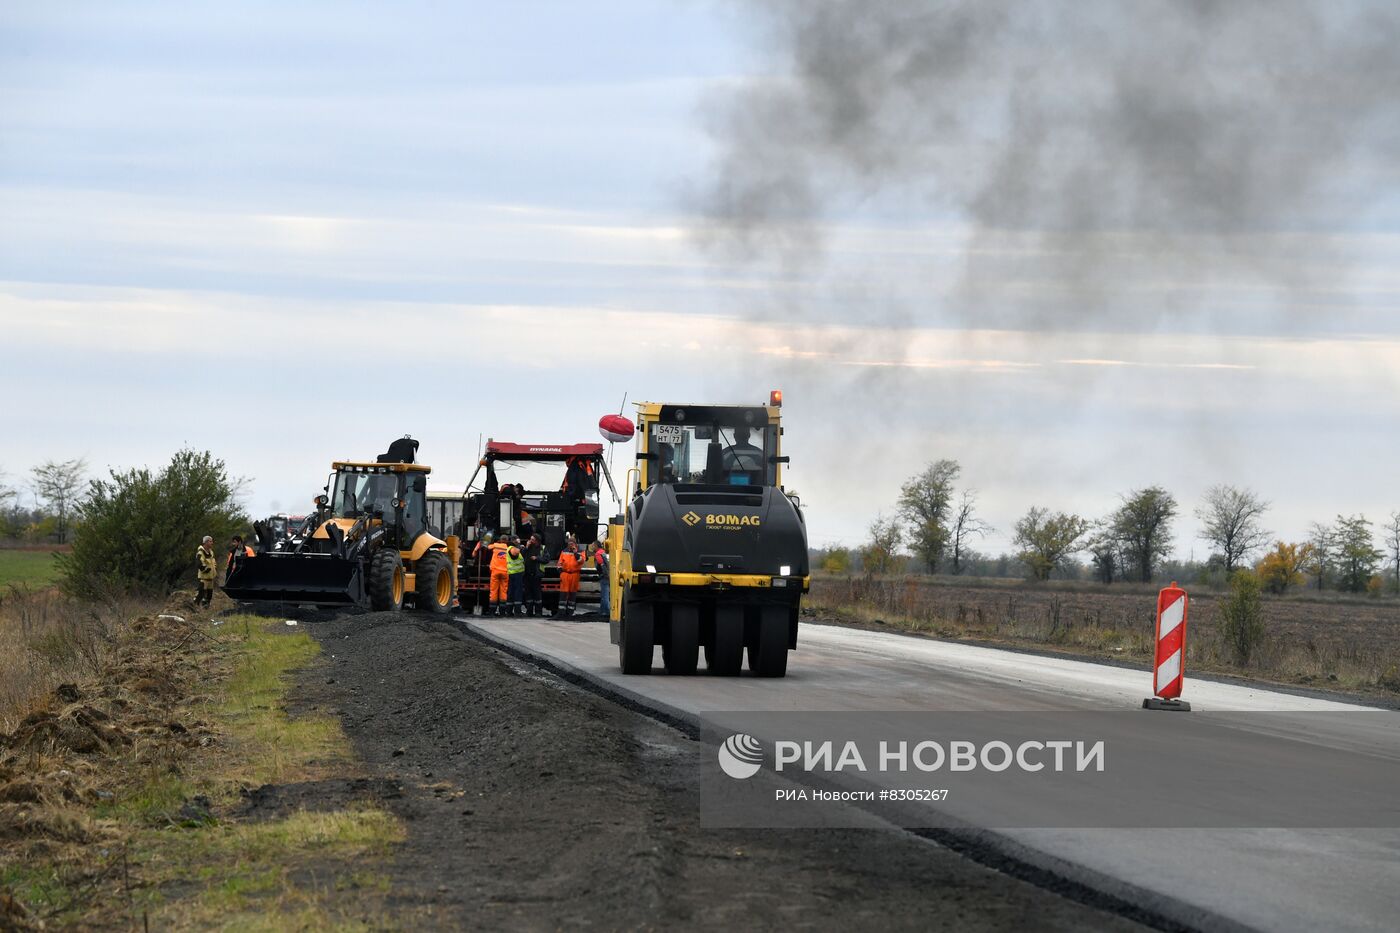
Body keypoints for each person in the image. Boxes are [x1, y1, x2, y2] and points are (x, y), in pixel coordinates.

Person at [472, 533, 510, 616]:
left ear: (500, 540)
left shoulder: (495, 545)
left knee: (494, 591)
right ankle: (502, 611)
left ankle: (492, 610)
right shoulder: (508, 548)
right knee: (503, 591)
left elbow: (487, 547)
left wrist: (481, 542)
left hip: (495, 571)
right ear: (507, 541)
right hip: (505, 572)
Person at [555, 541, 583, 617]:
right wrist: (561, 572)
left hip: (575, 574)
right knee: (563, 593)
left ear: (575, 544)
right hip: (565, 574)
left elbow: (581, 561)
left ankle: (570, 612)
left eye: (572, 544)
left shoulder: (580, 552)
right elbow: (559, 563)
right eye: (569, 544)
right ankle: (561, 612)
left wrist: (575, 553)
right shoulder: (564, 551)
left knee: (572, 594)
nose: (570, 546)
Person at [522, 533, 545, 617]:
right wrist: (526, 547)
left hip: (536, 575)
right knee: (528, 594)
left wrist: (537, 558)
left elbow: (546, 559)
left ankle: (538, 612)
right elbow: (521, 555)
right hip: (527, 574)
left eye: (532, 539)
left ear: (537, 541)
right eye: (530, 539)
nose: (530, 541)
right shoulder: (527, 548)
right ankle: (529, 611)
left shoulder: (542, 548)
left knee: (537, 594)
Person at [505, 536, 525, 617]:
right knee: (516, 592)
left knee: (511, 592)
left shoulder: (513, 547)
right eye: (517, 540)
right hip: (515, 574)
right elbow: (515, 553)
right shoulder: (511, 548)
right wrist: (519, 545)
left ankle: (509, 611)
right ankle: (517, 611)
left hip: (515, 573)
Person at [195, 535, 217, 608]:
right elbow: (198, 563)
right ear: (205, 542)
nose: (212, 543)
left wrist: (214, 568)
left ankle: (205, 609)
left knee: (209, 596)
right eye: (210, 541)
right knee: (200, 594)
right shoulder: (200, 552)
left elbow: (213, 562)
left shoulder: (211, 552)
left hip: (211, 578)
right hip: (204, 578)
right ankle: (195, 609)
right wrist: (206, 569)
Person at [593, 539, 610, 620]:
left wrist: (605, 575)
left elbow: (602, 565)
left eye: (593, 545)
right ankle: (602, 611)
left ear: (596, 546)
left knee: (605, 595)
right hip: (608, 576)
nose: (592, 547)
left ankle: (606, 612)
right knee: (604, 594)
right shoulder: (603, 552)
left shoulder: (598, 554)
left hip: (604, 577)